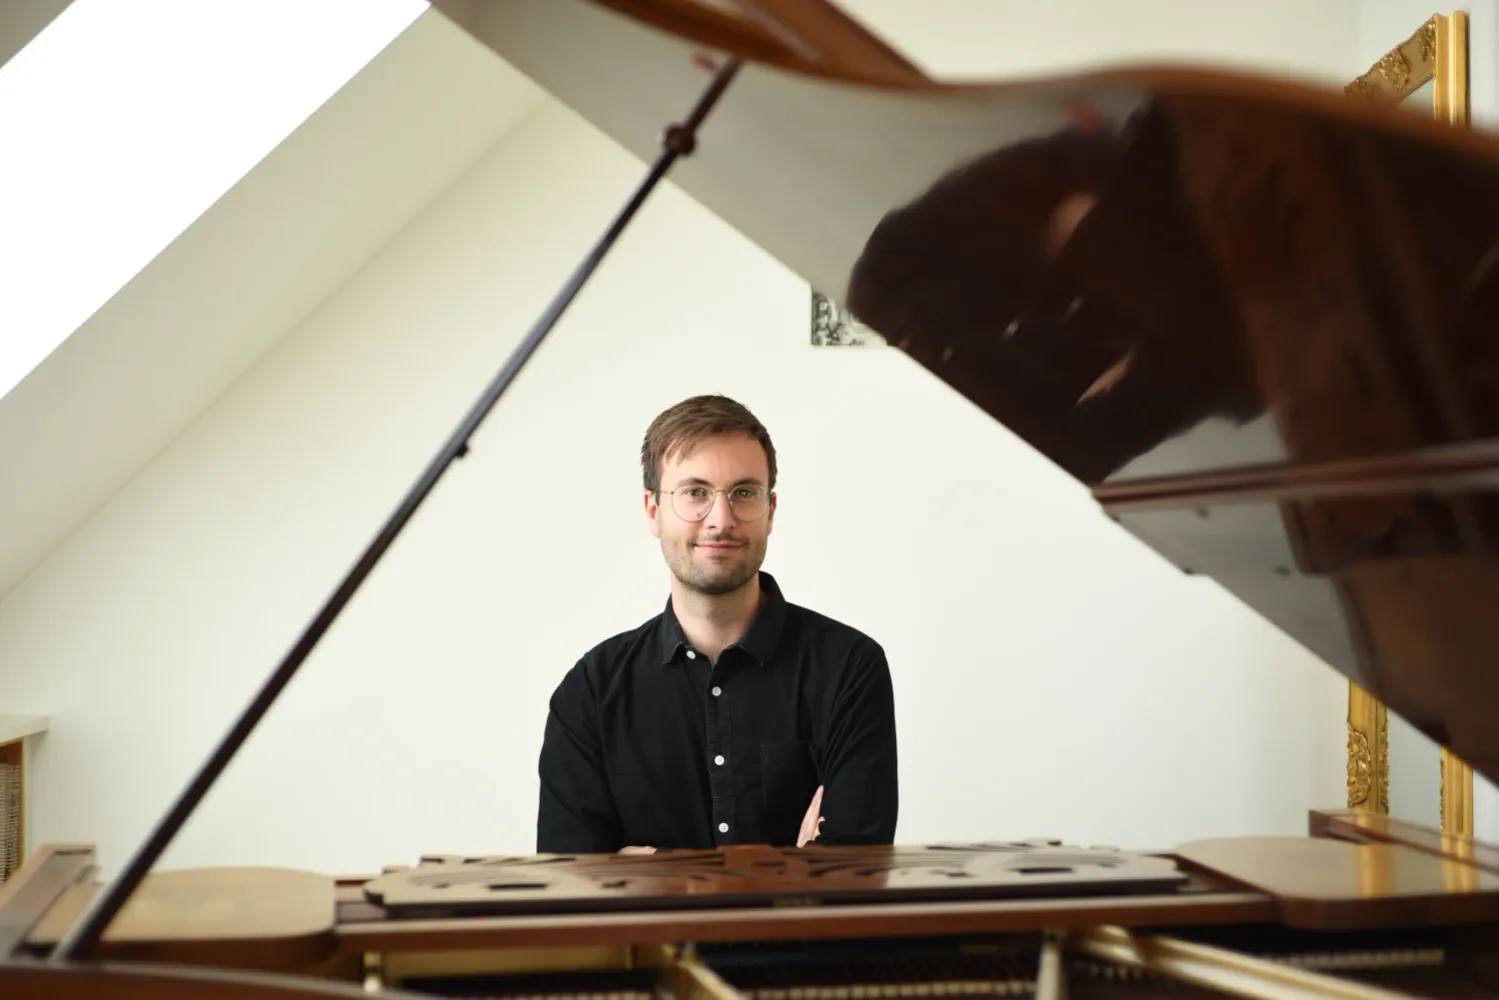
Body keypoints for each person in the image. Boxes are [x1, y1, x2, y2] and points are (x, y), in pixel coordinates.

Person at [535, 394, 898, 854]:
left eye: (744, 493)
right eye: (695, 493)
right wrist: (796, 868)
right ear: (653, 510)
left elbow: (854, 877)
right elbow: (574, 892)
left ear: (771, 510)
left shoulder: (849, 667)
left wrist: (643, 879)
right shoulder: (591, 690)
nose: (720, 519)